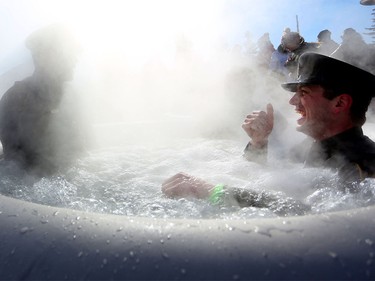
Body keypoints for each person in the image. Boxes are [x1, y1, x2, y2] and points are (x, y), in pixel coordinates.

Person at [161, 53, 375, 215]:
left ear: (340, 103)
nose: (292, 102)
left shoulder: (364, 164)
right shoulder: (312, 148)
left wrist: (214, 191)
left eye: (304, 93)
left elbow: (311, 213)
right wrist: (258, 142)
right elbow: (261, 177)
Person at [0, 24, 85, 176]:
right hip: (31, 189)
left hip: (66, 183)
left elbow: (82, 151)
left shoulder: (71, 96)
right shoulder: (15, 99)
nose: (76, 59)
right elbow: (14, 166)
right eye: (70, 52)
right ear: (45, 57)